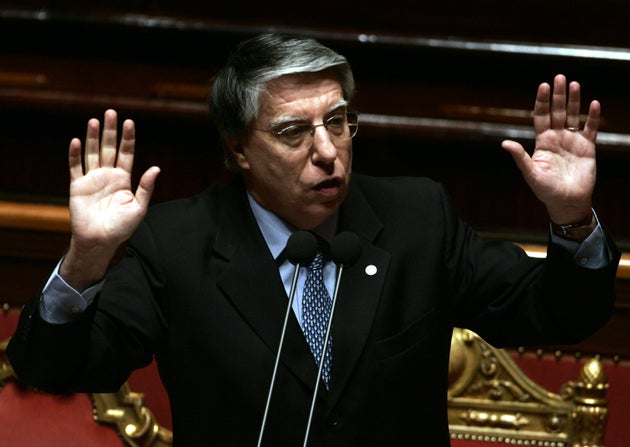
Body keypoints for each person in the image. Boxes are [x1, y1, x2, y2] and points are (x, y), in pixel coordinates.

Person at [7, 32, 621, 446]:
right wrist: (87, 258)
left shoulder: (417, 218)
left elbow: (558, 314)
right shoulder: (176, 244)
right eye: (293, 132)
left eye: (337, 121)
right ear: (239, 150)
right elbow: (53, 369)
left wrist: (572, 219)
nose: (328, 151)